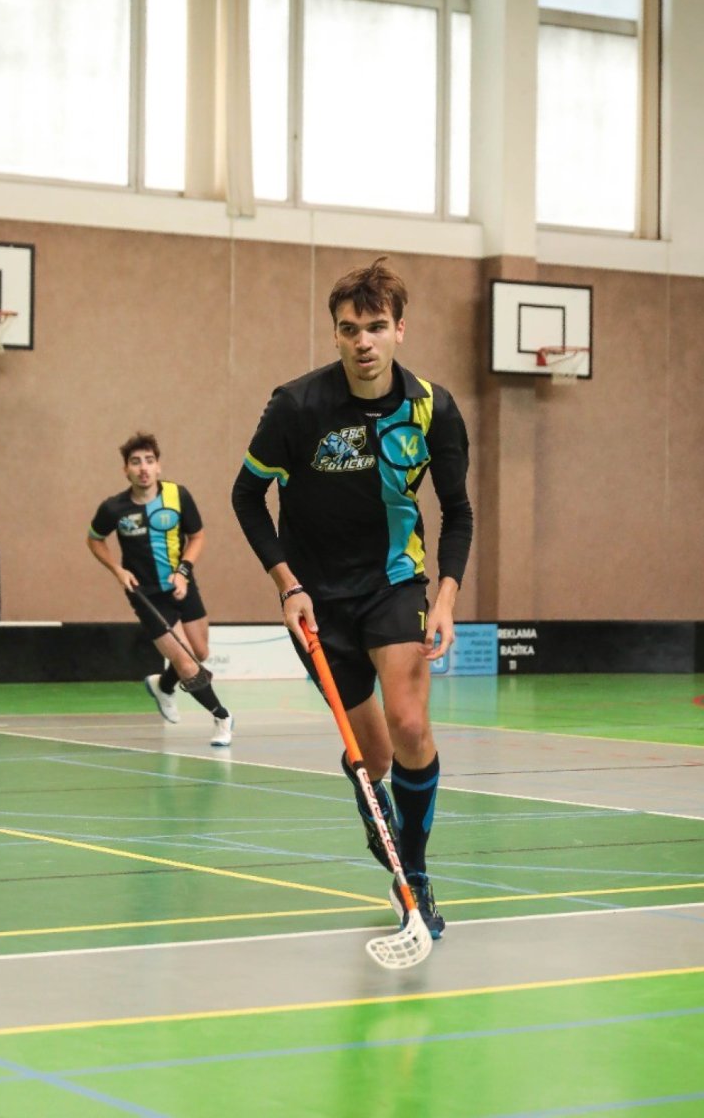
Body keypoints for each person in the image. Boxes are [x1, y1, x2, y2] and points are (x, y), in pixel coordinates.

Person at [231, 258, 472, 938]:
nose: (363, 341)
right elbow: (247, 496)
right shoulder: (297, 405)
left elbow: (457, 511)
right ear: (334, 334)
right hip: (316, 601)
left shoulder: (433, 408)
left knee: (410, 725)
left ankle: (413, 875)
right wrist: (287, 584)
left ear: (400, 330)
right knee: (375, 756)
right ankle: (372, 800)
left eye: (376, 327)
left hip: (395, 583)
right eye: (348, 329)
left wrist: (445, 598)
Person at [87, 432, 233, 747]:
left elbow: (197, 536)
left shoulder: (178, 496)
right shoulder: (114, 508)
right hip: (146, 594)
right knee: (187, 662)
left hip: (182, 585)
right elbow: (95, 539)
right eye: (135, 462)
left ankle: (163, 686)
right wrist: (117, 570)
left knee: (200, 652)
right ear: (125, 469)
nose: (143, 468)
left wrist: (183, 572)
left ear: (158, 466)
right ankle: (222, 717)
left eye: (149, 461)